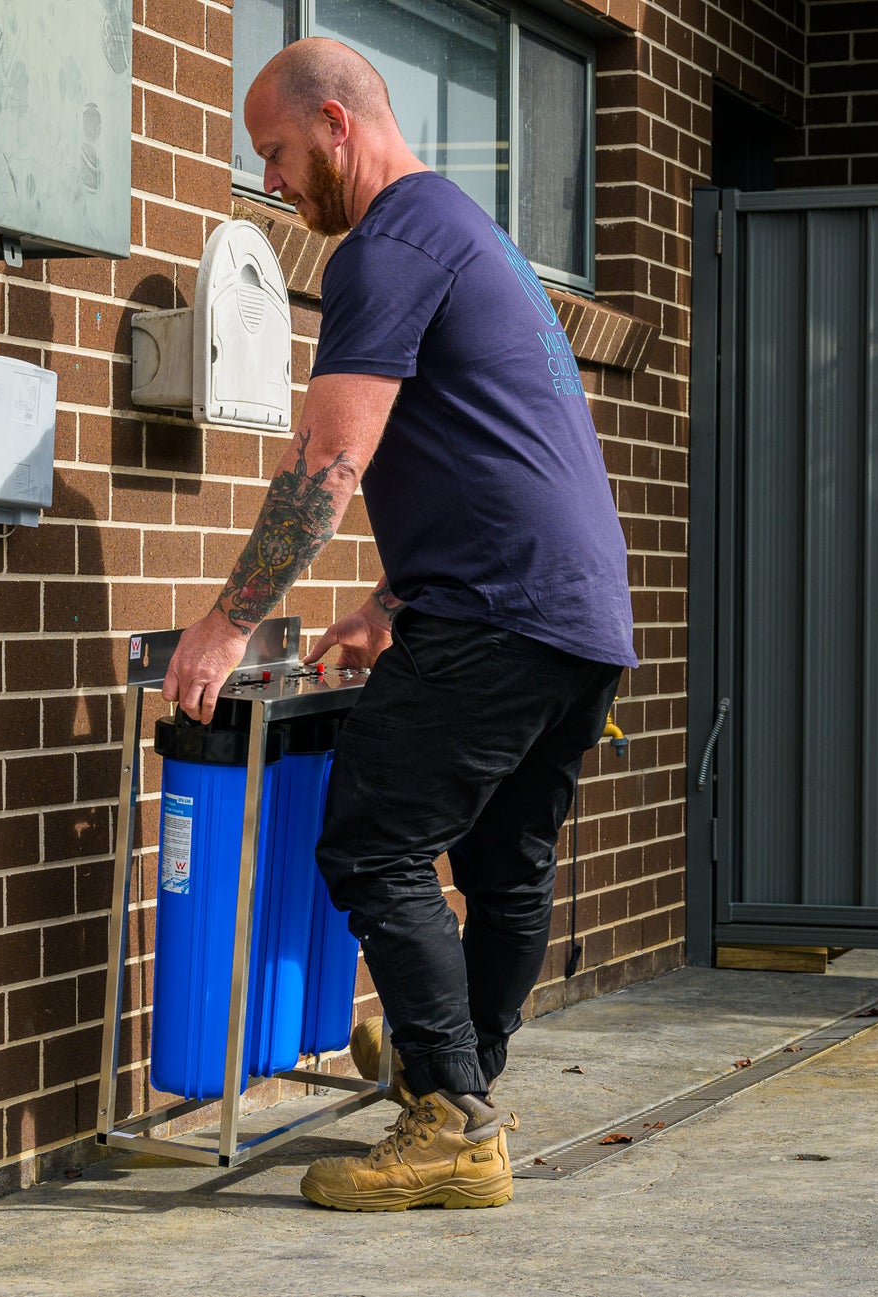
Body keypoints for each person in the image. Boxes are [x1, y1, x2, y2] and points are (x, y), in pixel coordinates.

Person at [160, 38, 636, 1212]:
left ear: (334, 123)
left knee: (368, 839)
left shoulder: (384, 247)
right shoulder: (475, 240)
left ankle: (451, 1119)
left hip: (499, 613)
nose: (268, 181)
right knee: (504, 865)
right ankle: (458, 1078)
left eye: (271, 152)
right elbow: (496, 445)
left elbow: (329, 459)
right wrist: (386, 600)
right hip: (578, 616)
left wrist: (226, 624)